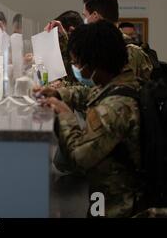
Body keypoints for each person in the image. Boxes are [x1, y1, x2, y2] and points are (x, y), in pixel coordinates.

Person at [37, 20, 142, 218]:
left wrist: (65, 114)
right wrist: (60, 94)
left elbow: (79, 158)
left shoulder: (116, 108)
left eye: (77, 63)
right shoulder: (121, 81)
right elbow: (88, 93)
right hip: (105, 194)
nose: (77, 69)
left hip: (117, 205)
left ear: (94, 63)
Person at [46, 0, 153, 82]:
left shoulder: (125, 50)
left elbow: (97, 90)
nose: (84, 21)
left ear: (95, 16)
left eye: (85, 16)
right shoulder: (106, 45)